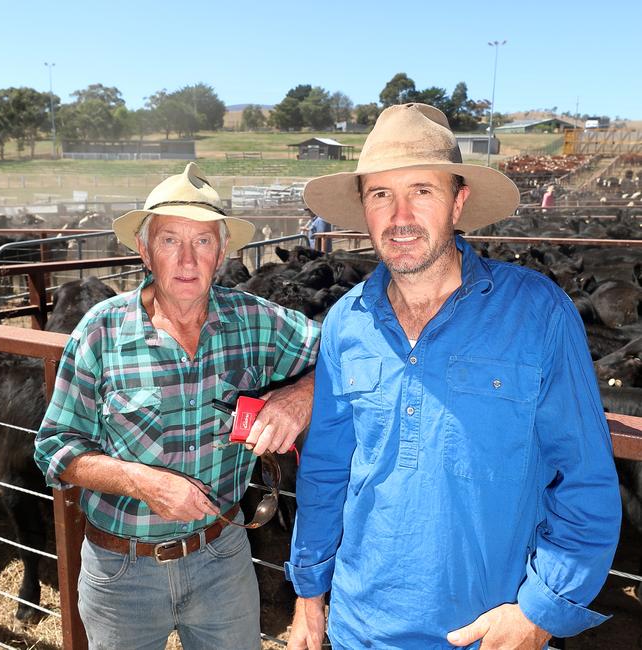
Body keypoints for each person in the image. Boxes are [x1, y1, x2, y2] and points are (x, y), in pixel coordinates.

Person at [284, 104, 621, 649]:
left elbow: (585, 478)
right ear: (363, 208)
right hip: (359, 628)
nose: (400, 215)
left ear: (458, 201)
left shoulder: (537, 313)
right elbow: (326, 471)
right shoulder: (346, 320)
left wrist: (538, 613)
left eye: (422, 190)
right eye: (380, 195)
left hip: (487, 632)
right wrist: (308, 593)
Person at [34, 162, 321, 650]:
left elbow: (348, 351)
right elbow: (54, 448)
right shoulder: (101, 331)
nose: (187, 260)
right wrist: (139, 480)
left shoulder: (256, 320)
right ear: (145, 250)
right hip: (121, 572)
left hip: (222, 557)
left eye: (203, 241)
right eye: (170, 241)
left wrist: (301, 395)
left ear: (223, 250)